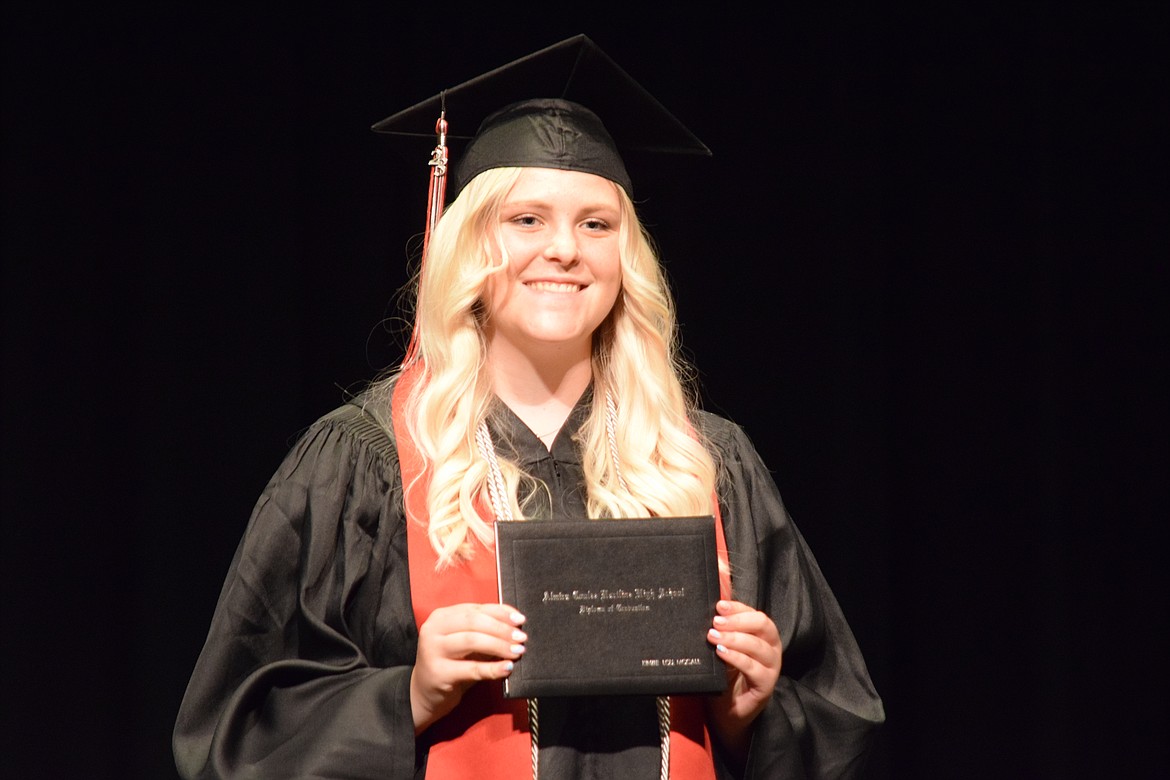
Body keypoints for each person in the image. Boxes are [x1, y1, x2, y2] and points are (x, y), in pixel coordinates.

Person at [173, 35, 884, 779]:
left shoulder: (709, 462)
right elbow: (232, 734)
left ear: (626, 256)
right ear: (470, 245)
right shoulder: (367, 459)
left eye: (596, 224)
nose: (565, 250)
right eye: (526, 220)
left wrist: (752, 714)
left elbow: (837, 717)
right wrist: (407, 696)